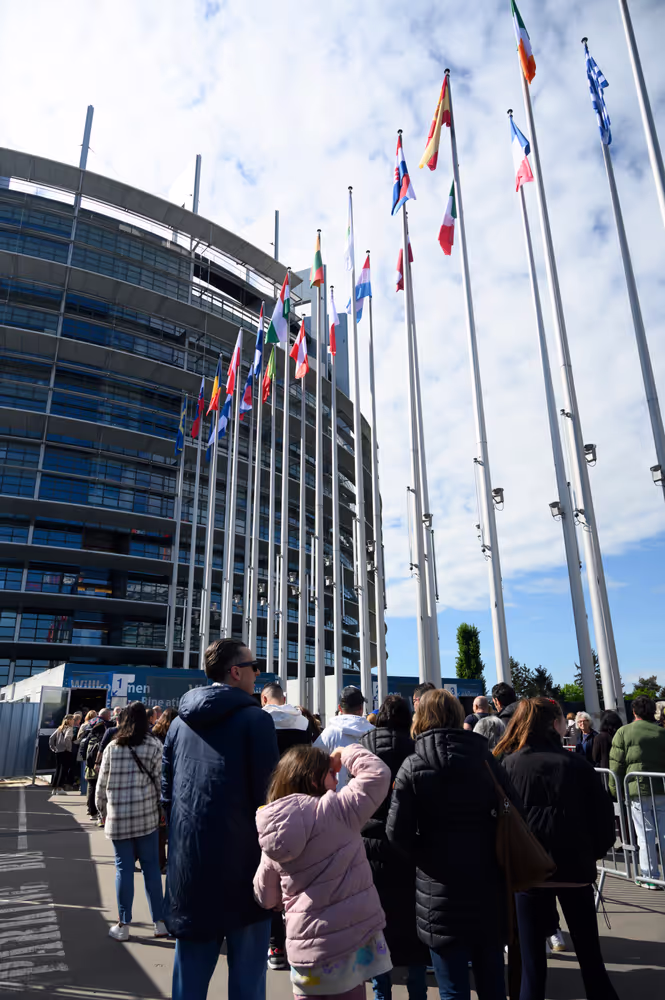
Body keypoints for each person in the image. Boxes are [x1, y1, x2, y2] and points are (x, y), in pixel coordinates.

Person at [163, 638, 279, 1000]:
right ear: (235, 672)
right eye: (254, 665)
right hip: (244, 868)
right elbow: (269, 800)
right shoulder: (256, 721)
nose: (258, 673)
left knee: (189, 980)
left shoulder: (179, 725)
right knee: (247, 982)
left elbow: (167, 793)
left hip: (189, 869)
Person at [387, 688, 514, 1000]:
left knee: (453, 988)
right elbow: (514, 810)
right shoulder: (486, 759)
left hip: (438, 888)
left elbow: (396, 831)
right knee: (493, 983)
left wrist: (424, 855)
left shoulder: (413, 764)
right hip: (486, 881)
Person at [496, 697, 619, 1000]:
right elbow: (604, 821)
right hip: (575, 868)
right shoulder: (576, 764)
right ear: (555, 724)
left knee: (530, 966)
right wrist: (592, 853)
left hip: (527, 873)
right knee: (591, 959)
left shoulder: (508, 764)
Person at [253, 743, 392, 1000]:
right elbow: (377, 773)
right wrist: (344, 752)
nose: (336, 776)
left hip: (304, 955)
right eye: (330, 772)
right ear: (316, 779)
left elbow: (266, 898)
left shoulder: (273, 833)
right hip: (346, 949)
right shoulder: (338, 810)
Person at [360, 696, 429, 1000]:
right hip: (409, 839)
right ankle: (417, 991)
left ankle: (381, 992)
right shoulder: (417, 744)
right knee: (413, 919)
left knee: (376, 922)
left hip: (370, 839)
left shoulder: (365, 743)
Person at [95, 701, 167, 942]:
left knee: (123, 869)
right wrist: (161, 809)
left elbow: (101, 787)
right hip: (147, 817)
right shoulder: (155, 745)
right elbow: (160, 783)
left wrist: (103, 811)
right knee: (152, 869)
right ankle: (159, 922)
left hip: (118, 819)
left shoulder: (113, 748)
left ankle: (123, 924)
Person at [260, 682, 314, 970]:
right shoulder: (304, 722)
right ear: (286, 698)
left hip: (268, 805)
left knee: (269, 877)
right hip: (302, 805)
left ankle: (276, 946)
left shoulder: (260, 720)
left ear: (264, 698)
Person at [610, 695, 665, 887]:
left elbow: (616, 765)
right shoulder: (661, 732)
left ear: (633, 712)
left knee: (645, 835)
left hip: (636, 789)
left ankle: (650, 876)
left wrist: (615, 790)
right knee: (664, 833)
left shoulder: (623, 732)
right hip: (661, 788)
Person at [314, 686, 375, 789]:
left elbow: (312, 763)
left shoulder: (329, 733)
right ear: (361, 708)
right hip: (368, 798)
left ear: (339, 708)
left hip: (337, 798)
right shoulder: (373, 733)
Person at [261, 682, 315, 753]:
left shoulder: (258, 719)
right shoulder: (304, 722)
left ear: (264, 699)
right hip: (296, 763)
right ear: (284, 699)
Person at [84, 719, 107, 823]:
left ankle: (91, 810)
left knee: (91, 789)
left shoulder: (89, 736)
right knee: (97, 791)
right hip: (98, 767)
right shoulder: (102, 738)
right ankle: (97, 812)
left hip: (89, 767)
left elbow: (83, 749)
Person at [49, 714, 76, 795]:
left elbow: (51, 738)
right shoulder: (69, 728)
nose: (74, 721)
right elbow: (67, 738)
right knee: (64, 770)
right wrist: (68, 748)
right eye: (73, 719)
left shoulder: (60, 728)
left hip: (58, 751)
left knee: (58, 769)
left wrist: (53, 748)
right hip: (65, 751)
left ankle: (54, 788)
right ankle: (60, 788)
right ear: (70, 720)